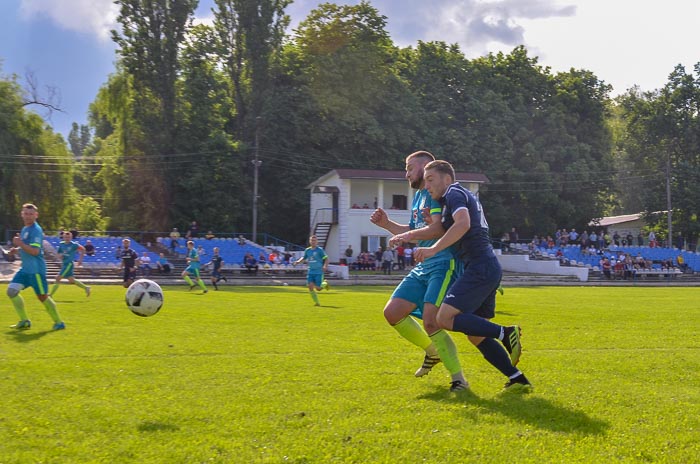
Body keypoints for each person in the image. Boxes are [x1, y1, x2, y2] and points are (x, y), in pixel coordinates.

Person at [413, 160, 531, 392]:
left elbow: (464, 224)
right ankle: (517, 378)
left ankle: (506, 333)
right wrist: (433, 224)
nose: (427, 186)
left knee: (443, 319)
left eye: (430, 179)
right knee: (475, 334)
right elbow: (459, 226)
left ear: (447, 179)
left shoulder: (454, 192)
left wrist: (432, 249)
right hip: (484, 267)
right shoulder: (454, 199)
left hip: (480, 267)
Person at [371, 150, 468, 392]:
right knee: (392, 312)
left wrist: (406, 235)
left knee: (431, 322)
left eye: (410, 168)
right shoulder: (418, 198)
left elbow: (436, 231)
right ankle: (432, 351)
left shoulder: (435, 195)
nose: (406, 174)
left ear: (425, 167)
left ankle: (459, 379)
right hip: (424, 265)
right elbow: (415, 231)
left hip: (442, 263)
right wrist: (387, 225)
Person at [6, 203, 66, 331]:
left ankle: (59, 322)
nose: (28, 216)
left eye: (31, 214)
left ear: (36, 215)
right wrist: (16, 250)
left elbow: (35, 251)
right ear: (22, 214)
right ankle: (25, 321)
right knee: (11, 291)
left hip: (36, 271)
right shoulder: (25, 229)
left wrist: (20, 243)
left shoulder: (36, 230)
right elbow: (26, 247)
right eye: (26, 213)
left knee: (42, 296)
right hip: (25, 270)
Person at [49, 231, 91, 298]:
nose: (67, 238)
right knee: (71, 280)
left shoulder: (74, 245)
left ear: (71, 237)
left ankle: (50, 295)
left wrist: (80, 260)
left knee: (58, 278)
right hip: (64, 263)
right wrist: (60, 256)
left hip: (69, 264)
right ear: (63, 237)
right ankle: (86, 287)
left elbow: (83, 249)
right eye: (65, 237)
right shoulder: (61, 244)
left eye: (68, 237)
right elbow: (58, 253)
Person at [294, 235, 329, 306]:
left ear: (317, 242)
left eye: (315, 240)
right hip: (311, 271)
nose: (313, 242)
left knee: (318, 289)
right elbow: (304, 257)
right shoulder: (307, 250)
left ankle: (325, 283)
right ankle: (317, 302)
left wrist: (325, 266)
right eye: (312, 240)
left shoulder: (320, 250)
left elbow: (326, 258)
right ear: (310, 241)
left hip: (319, 271)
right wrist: (298, 261)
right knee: (310, 286)